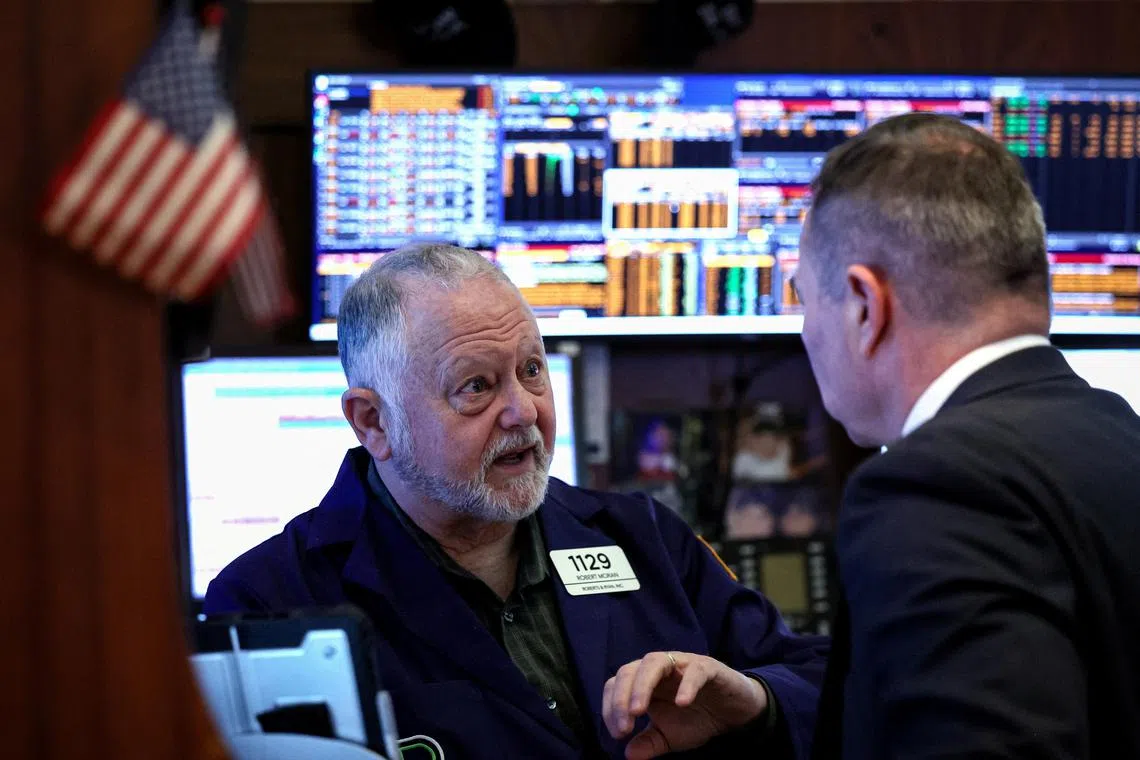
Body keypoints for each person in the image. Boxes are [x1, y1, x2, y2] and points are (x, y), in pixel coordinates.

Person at [204, 243, 828, 760]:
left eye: (531, 369)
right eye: (476, 386)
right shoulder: (272, 602)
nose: (523, 411)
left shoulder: (642, 536)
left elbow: (828, 684)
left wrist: (757, 701)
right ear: (374, 421)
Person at [793, 112, 1140, 759]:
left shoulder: (933, 492)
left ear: (866, 306)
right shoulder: (1119, 435)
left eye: (804, 299)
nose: (806, 331)